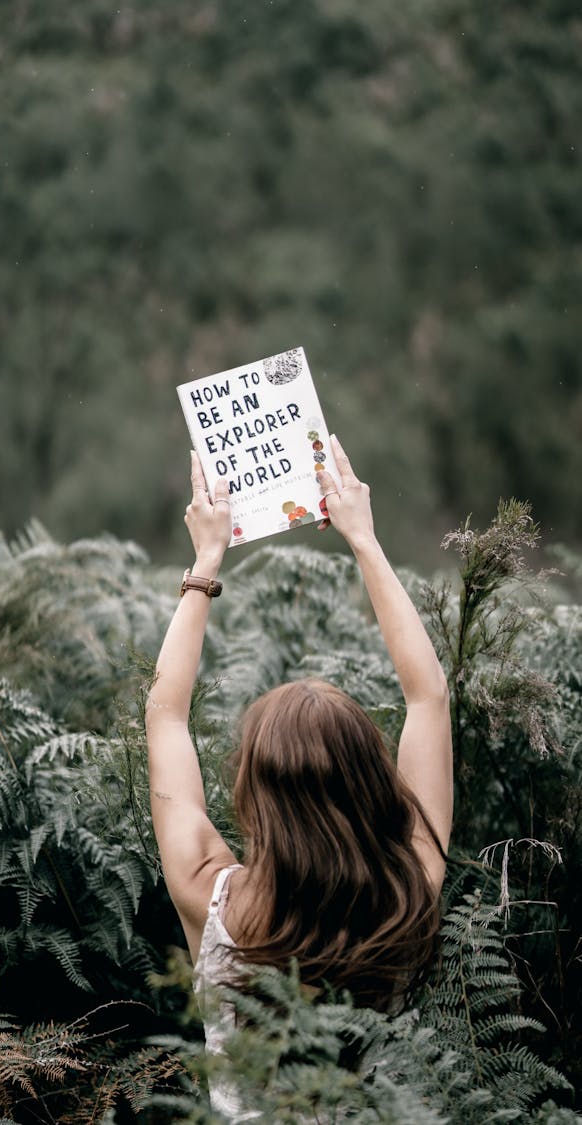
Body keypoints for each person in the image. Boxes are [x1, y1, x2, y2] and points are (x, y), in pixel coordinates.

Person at [145, 435, 453, 1117]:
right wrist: (364, 540)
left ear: (253, 794)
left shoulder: (214, 899)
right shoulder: (407, 895)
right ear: (373, 783)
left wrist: (205, 561)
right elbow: (428, 697)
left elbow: (165, 714)